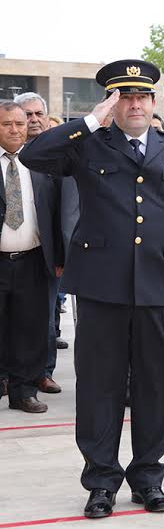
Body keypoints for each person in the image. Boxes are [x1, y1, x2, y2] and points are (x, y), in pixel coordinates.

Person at [21, 59, 164, 519]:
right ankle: (101, 480)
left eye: (142, 96)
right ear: (111, 101)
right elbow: (32, 155)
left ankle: (148, 477)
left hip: (161, 288)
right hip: (101, 287)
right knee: (100, 387)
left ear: (154, 101)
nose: (135, 104)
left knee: (159, 387)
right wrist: (89, 120)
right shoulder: (87, 144)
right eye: (125, 96)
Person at [0, 100, 63, 413]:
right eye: (6, 124)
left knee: (30, 330)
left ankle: (23, 391)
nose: (14, 130)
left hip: (33, 260)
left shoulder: (41, 162)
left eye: (20, 124)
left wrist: (60, 257)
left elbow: (56, 213)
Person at [14, 91, 66, 393]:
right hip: (9, 251)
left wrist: (60, 254)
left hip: (43, 253)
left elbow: (64, 210)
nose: (32, 120)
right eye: (26, 115)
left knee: (44, 318)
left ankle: (42, 372)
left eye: (37, 114)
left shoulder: (57, 156)